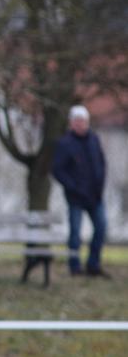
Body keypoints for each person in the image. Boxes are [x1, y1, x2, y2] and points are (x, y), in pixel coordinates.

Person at [52, 105, 109, 278]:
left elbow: (101, 164)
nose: (80, 124)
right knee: (75, 233)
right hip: (76, 197)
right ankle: (74, 266)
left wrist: (100, 185)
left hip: (95, 196)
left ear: (87, 122)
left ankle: (93, 264)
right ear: (71, 123)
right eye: (77, 121)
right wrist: (73, 187)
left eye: (83, 121)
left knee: (101, 227)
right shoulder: (65, 144)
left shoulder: (94, 140)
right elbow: (58, 170)